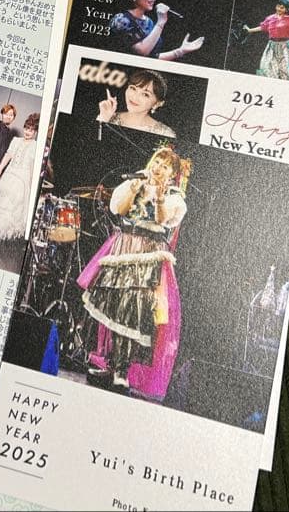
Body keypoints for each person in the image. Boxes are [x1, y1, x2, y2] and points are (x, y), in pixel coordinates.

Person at [76, 145, 190, 396]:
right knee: (116, 305)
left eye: (165, 166)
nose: (158, 168)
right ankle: (111, 365)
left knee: (134, 310)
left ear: (172, 173)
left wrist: (159, 197)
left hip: (147, 254)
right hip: (124, 247)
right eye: (157, 162)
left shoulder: (173, 196)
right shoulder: (135, 182)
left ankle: (123, 371)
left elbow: (161, 220)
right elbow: (119, 209)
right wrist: (134, 189)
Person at [107, 0, 204, 61]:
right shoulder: (121, 20)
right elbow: (142, 52)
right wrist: (161, 22)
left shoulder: (149, 22)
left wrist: (181, 51)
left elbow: (151, 58)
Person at [0, 113, 40, 247]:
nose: (28, 132)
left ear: (35, 132)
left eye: (31, 130)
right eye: (26, 128)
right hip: (10, 175)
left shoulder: (35, 146)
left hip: (22, 180)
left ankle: (4, 239)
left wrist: (32, 184)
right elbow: (8, 155)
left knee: (14, 210)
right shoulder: (16, 140)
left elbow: (32, 166)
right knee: (2, 205)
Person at [243, 0, 289, 80]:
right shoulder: (270, 18)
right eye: (278, 6)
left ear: (286, 9)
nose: (279, 9)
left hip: (285, 46)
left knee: (284, 70)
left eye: (282, 8)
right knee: (269, 68)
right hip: (272, 46)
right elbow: (263, 27)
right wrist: (250, 30)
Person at [96, 69, 176, 138]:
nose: (135, 97)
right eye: (133, 88)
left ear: (157, 104)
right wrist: (104, 118)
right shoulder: (107, 117)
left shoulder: (165, 133)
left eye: (145, 94)